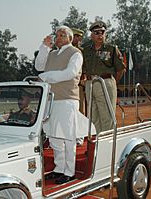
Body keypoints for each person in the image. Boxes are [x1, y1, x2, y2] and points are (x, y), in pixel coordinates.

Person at [35, 25, 83, 184]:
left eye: (62, 35)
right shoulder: (52, 53)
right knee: (54, 137)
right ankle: (59, 169)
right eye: (56, 35)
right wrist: (44, 47)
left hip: (67, 100)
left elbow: (70, 73)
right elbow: (38, 66)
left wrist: (46, 76)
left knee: (68, 137)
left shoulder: (75, 53)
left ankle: (69, 172)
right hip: (50, 100)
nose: (58, 37)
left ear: (70, 38)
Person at [82, 21, 126, 133]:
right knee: (92, 115)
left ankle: (108, 143)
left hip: (106, 82)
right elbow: (82, 68)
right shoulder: (86, 50)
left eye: (102, 32)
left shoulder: (111, 49)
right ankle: (96, 142)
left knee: (107, 115)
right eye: (96, 33)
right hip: (90, 83)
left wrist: (112, 82)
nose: (100, 35)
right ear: (91, 35)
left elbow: (121, 68)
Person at [72, 28, 86, 116]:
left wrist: (84, 77)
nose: (76, 39)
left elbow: (85, 66)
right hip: (66, 84)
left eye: (78, 37)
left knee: (81, 110)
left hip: (79, 84)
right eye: (74, 36)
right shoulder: (63, 50)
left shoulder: (83, 51)